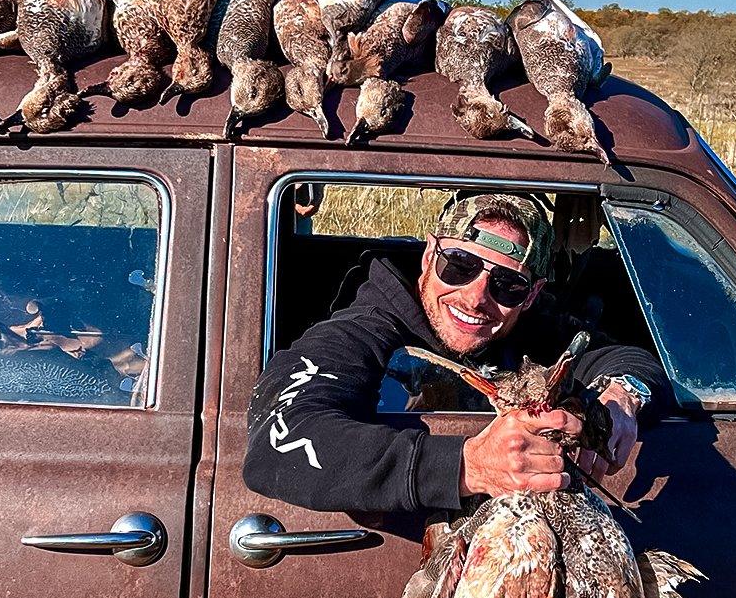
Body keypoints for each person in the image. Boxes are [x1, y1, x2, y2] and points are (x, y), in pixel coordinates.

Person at [244, 191, 670, 513]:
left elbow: (621, 358)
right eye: (460, 265)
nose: (475, 297)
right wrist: (470, 465)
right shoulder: (362, 332)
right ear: (430, 254)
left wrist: (621, 397)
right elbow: (278, 439)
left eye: (507, 284)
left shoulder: (525, 326)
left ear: (532, 294)